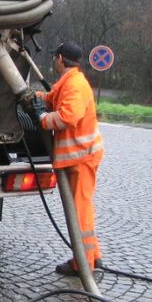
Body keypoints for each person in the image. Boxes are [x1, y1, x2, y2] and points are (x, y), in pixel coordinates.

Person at [36, 41, 105, 276]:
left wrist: (43, 119)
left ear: (61, 59)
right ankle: (93, 256)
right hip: (81, 156)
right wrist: (34, 98)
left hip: (82, 157)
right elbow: (52, 98)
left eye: (55, 56)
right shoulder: (69, 81)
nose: (54, 60)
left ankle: (82, 264)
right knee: (82, 208)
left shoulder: (75, 85)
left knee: (79, 211)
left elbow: (68, 116)